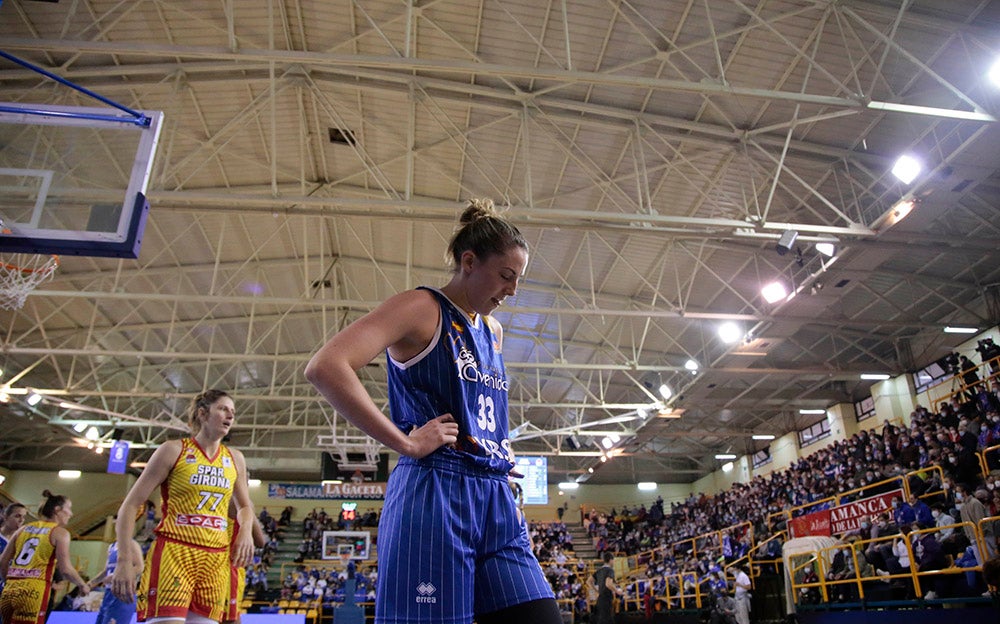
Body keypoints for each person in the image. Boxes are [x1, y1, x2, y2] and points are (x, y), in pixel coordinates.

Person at [305, 199, 560, 624]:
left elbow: (479, 402)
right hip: (434, 491)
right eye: (506, 276)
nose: (513, 290)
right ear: (469, 262)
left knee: (539, 615)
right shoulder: (422, 308)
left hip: (493, 495)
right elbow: (326, 366)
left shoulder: (492, 330)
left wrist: (494, 446)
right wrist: (404, 441)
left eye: (518, 279)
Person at [110, 390, 255, 624]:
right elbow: (130, 505)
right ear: (202, 413)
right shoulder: (173, 450)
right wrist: (124, 560)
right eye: (223, 409)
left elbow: (245, 507)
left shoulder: (235, 457)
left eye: (233, 412)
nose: (230, 416)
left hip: (215, 560)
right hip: (175, 551)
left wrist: (246, 530)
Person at [0, 490, 91, 624]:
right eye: (69, 509)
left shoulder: (23, 529)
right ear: (57, 510)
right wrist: (82, 585)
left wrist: (7, 582)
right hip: (33, 592)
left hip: (10, 590)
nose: (71, 514)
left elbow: (3, 561)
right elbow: (65, 569)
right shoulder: (59, 533)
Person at [91, 538, 144, 624]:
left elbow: (140, 567)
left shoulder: (132, 544)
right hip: (108, 593)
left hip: (123, 593)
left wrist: (114, 577)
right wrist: (91, 583)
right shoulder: (111, 547)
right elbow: (106, 570)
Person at [0, 503, 27, 596]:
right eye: (17, 516)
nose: (21, 520)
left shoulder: (21, 542)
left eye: (23, 517)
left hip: (6, 591)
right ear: (5, 516)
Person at [587, 552, 621, 624]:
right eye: (613, 560)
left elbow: (588, 581)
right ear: (611, 560)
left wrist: (596, 591)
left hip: (600, 597)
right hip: (607, 597)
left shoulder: (599, 570)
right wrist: (617, 591)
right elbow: (608, 584)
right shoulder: (610, 570)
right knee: (607, 619)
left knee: (601, 619)